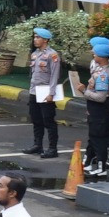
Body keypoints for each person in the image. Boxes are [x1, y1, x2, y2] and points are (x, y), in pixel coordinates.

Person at [77, 36, 109, 178]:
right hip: (95, 108)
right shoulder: (101, 68)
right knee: (94, 136)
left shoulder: (103, 74)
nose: (93, 53)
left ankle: (102, 166)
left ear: (102, 57)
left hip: (100, 109)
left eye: (95, 52)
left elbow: (100, 97)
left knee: (99, 137)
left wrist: (84, 91)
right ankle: (89, 162)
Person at [26, 28, 61, 157]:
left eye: (38, 37)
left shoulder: (53, 55)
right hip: (34, 91)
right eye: (34, 37)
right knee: (36, 119)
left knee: (48, 121)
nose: (35, 40)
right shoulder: (35, 54)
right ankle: (37, 145)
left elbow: (54, 75)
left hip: (46, 91)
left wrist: (51, 93)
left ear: (45, 40)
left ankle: (52, 148)